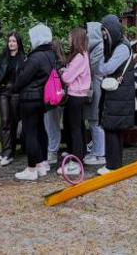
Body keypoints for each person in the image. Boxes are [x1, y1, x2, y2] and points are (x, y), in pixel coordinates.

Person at [13, 24, 58, 180]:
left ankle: (31, 169)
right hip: (41, 99)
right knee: (39, 130)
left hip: (30, 99)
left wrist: (14, 88)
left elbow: (23, 78)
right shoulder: (50, 54)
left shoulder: (36, 57)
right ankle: (41, 163)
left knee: (30, 133)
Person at [97, 15, 136, 175]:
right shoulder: (122, 45)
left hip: (118, 96)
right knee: (115, 129)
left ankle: (112, 166)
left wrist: (100, 60)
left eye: (105, 32)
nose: (104, 36)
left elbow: (107, 68)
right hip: (119, 95)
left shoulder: (122, 48)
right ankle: (115, 164)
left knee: (112, 128)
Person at [57, 28, 91, 177]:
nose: (68, 40)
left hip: (75, 96)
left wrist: (63, 72)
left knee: (74, 129)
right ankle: (77, 155)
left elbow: (67, 78)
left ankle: (76, 162)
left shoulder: (79, 57)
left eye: (70, 37)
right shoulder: (83, 55)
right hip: (79, 96)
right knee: (77, 127)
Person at [0, 31, 25, 166]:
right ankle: (6, 151)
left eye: (14, 41)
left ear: (18, 43)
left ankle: (10, 150)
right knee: (5, 120)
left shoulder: (23, 58)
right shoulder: (3, 57)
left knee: (14, 121)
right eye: (9, 41)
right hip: (4, 92)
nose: (11, 43)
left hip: (16, 93)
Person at [83, 21, 107, 166]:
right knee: (93, 121)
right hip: (94, 86)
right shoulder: (94, 48)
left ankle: (99, 154)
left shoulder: (99, 49)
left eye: (87, 32)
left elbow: (90, 67)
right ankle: (96, 151)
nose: (86, 35)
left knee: (96, 121)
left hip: (97, 87)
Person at [44, 38, 67, 165]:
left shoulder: (54, 63)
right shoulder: (63, 62)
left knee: (51, 125)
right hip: (59, 98)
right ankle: (51, 149)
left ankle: (52, 151)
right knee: (52, 124)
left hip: (53, 99)